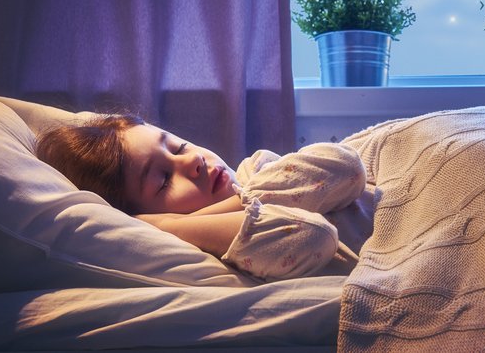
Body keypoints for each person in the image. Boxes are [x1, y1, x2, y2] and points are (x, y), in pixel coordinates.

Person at [35, 114, 370, 281]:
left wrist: (239, 196)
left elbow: (347, 167)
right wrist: (170, 226)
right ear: (144, 218)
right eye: (164, 179)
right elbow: (314, 235)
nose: (192, 161)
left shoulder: (255, 168)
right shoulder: (225, 246)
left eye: (177, 146)